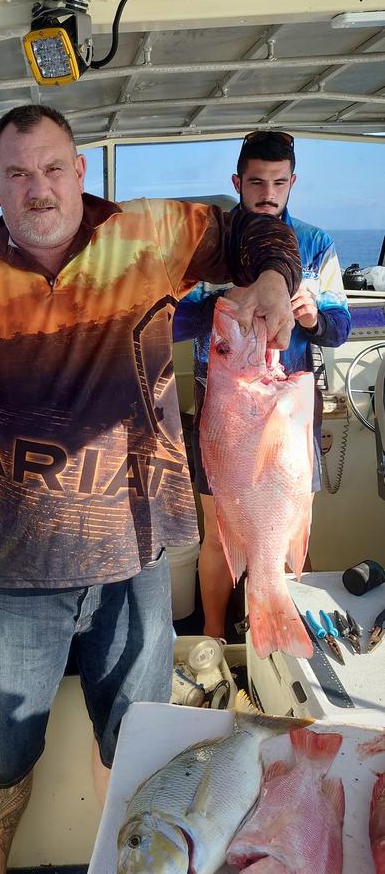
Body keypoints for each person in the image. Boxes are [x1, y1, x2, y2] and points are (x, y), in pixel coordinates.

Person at [0, 106, 301, 873]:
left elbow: (254, 229)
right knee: (2, 753)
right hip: (12, 566)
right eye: (14, 174)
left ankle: (127, 858)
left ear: (78, 170)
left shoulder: (152, 233)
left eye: (50, 169)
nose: (36, 189)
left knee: (134, 735)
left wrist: (271, 277)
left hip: (134, 553)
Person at [173, 130, 351, 640]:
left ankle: (288, 622)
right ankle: (213, 639)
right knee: (218, 536)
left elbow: (339, 330)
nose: (267, 193)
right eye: (255, 182)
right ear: (237, 182)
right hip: (223, 411)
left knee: (294, 525)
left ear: (293, 182)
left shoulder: (316, 246)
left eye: (278, 182)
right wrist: (226, 301)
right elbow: (177, 323)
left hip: (291, 420)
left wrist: (314, 317)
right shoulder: (210, 249)